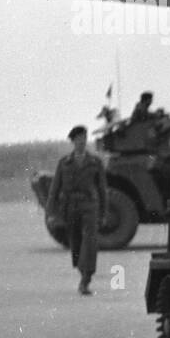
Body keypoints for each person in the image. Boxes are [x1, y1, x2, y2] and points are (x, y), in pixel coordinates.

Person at [46, 125, 108, 295]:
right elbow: (54, 189)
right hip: (71, 207)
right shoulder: (64, 163)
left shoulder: (95, 162)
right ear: (73, 141)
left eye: (84, 138)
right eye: (78, 139)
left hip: (90, 206)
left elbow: (102, 190)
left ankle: (85, 280)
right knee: (76, 244)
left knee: (89, 242)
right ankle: (83, 273)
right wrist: (51, 213)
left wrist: (103, 213)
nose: (82, 142)